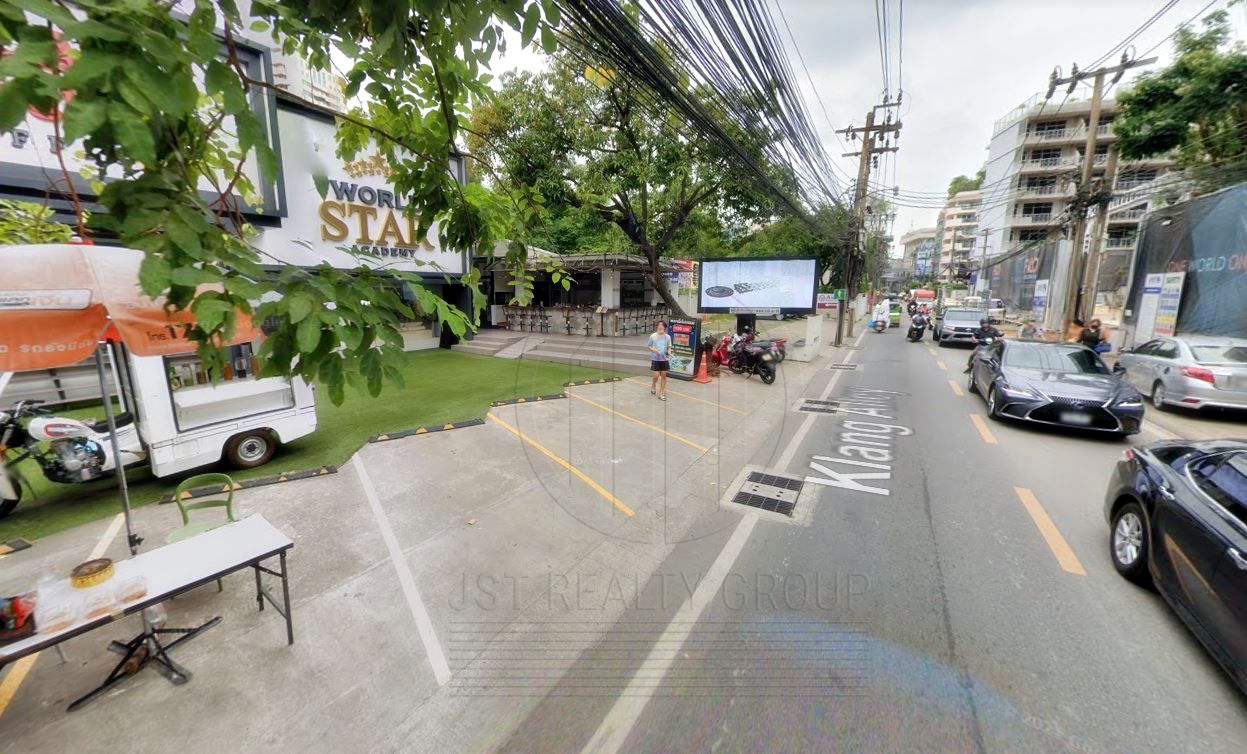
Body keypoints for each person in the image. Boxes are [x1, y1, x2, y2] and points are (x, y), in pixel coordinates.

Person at [647, 320, 671, 400]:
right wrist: (654, 350)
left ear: (664, 327)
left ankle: (661, 394)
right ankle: (653, 384)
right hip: (655, 358)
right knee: (656, 375)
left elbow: (669, 347)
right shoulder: (653, 336)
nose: (660, 327)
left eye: (662, 325)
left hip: (664, 359)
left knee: (664, 375)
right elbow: (649, 346)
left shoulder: (668, 337)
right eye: (659, 325)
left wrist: (669, 351)